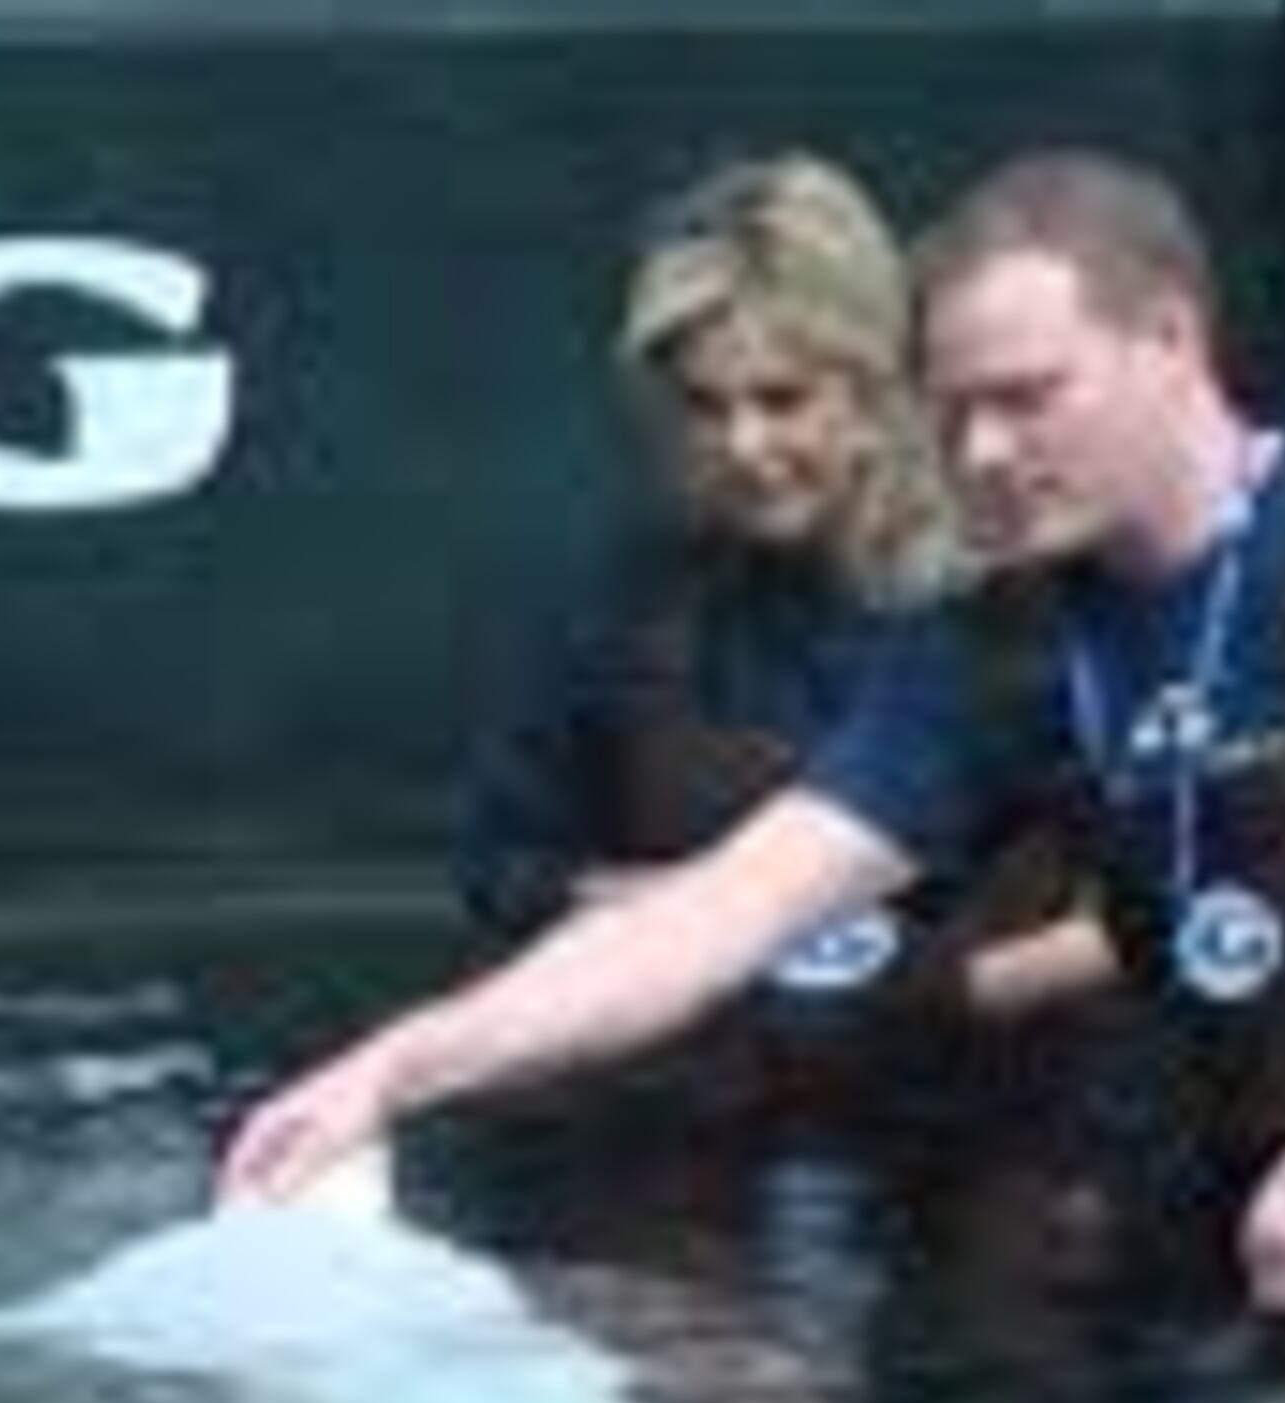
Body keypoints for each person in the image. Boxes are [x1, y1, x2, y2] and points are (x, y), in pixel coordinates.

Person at [222, 147, 1285, 1273]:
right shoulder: (997, 652)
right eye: (955, 415)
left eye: (1030, 395)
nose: (986, 452)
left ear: (1173, 342)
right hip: (1279, 1246)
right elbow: (715, 921)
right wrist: (393, 1069)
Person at [457, 150, 1107, 1116]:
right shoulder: (632, 603)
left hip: (995, 1131)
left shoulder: (1026, 596)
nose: (744, 448)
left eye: (782, 400)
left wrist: (947, 989)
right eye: (704, 408)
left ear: (877, 388)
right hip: (705, 1124)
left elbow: (1170, 897)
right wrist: (672, 920)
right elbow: (504, 867)